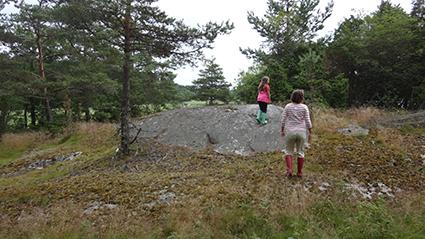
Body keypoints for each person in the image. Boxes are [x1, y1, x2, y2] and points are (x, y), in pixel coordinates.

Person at [280, 89, 312, 178]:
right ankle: (299, 172)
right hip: (301, 132)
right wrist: (310, 131)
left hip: (290, 131)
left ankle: (289, 170)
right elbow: (308, 121)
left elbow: (283, 120)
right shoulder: (304, 107)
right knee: (300, 152)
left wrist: (282, 130)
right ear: (302, 98)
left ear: (292, 97)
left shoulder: (288, 106)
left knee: (288, 151)